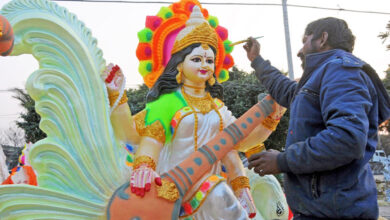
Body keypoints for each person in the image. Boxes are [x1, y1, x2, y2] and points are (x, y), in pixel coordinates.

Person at [104, 4, 287, 220]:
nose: (205, 65)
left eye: (209, 60)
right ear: (180, 65)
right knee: (219, 194)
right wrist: (144, 166)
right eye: (196, 59)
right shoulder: (169, 101)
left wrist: (273, 117)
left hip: (210, 191)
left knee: (223, 193)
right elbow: (151, 140)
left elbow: (241, 142)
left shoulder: (218, 109)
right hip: (173, 192)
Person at [244, 17, 390, 219]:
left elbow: (346, 139)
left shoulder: (341, 71)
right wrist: (256, 60)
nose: (300, 50)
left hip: (335, 212)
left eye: (305, 40)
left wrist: (283, 160)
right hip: (324, 209)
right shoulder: (325, 75)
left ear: (322, 38)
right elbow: (287, 91)